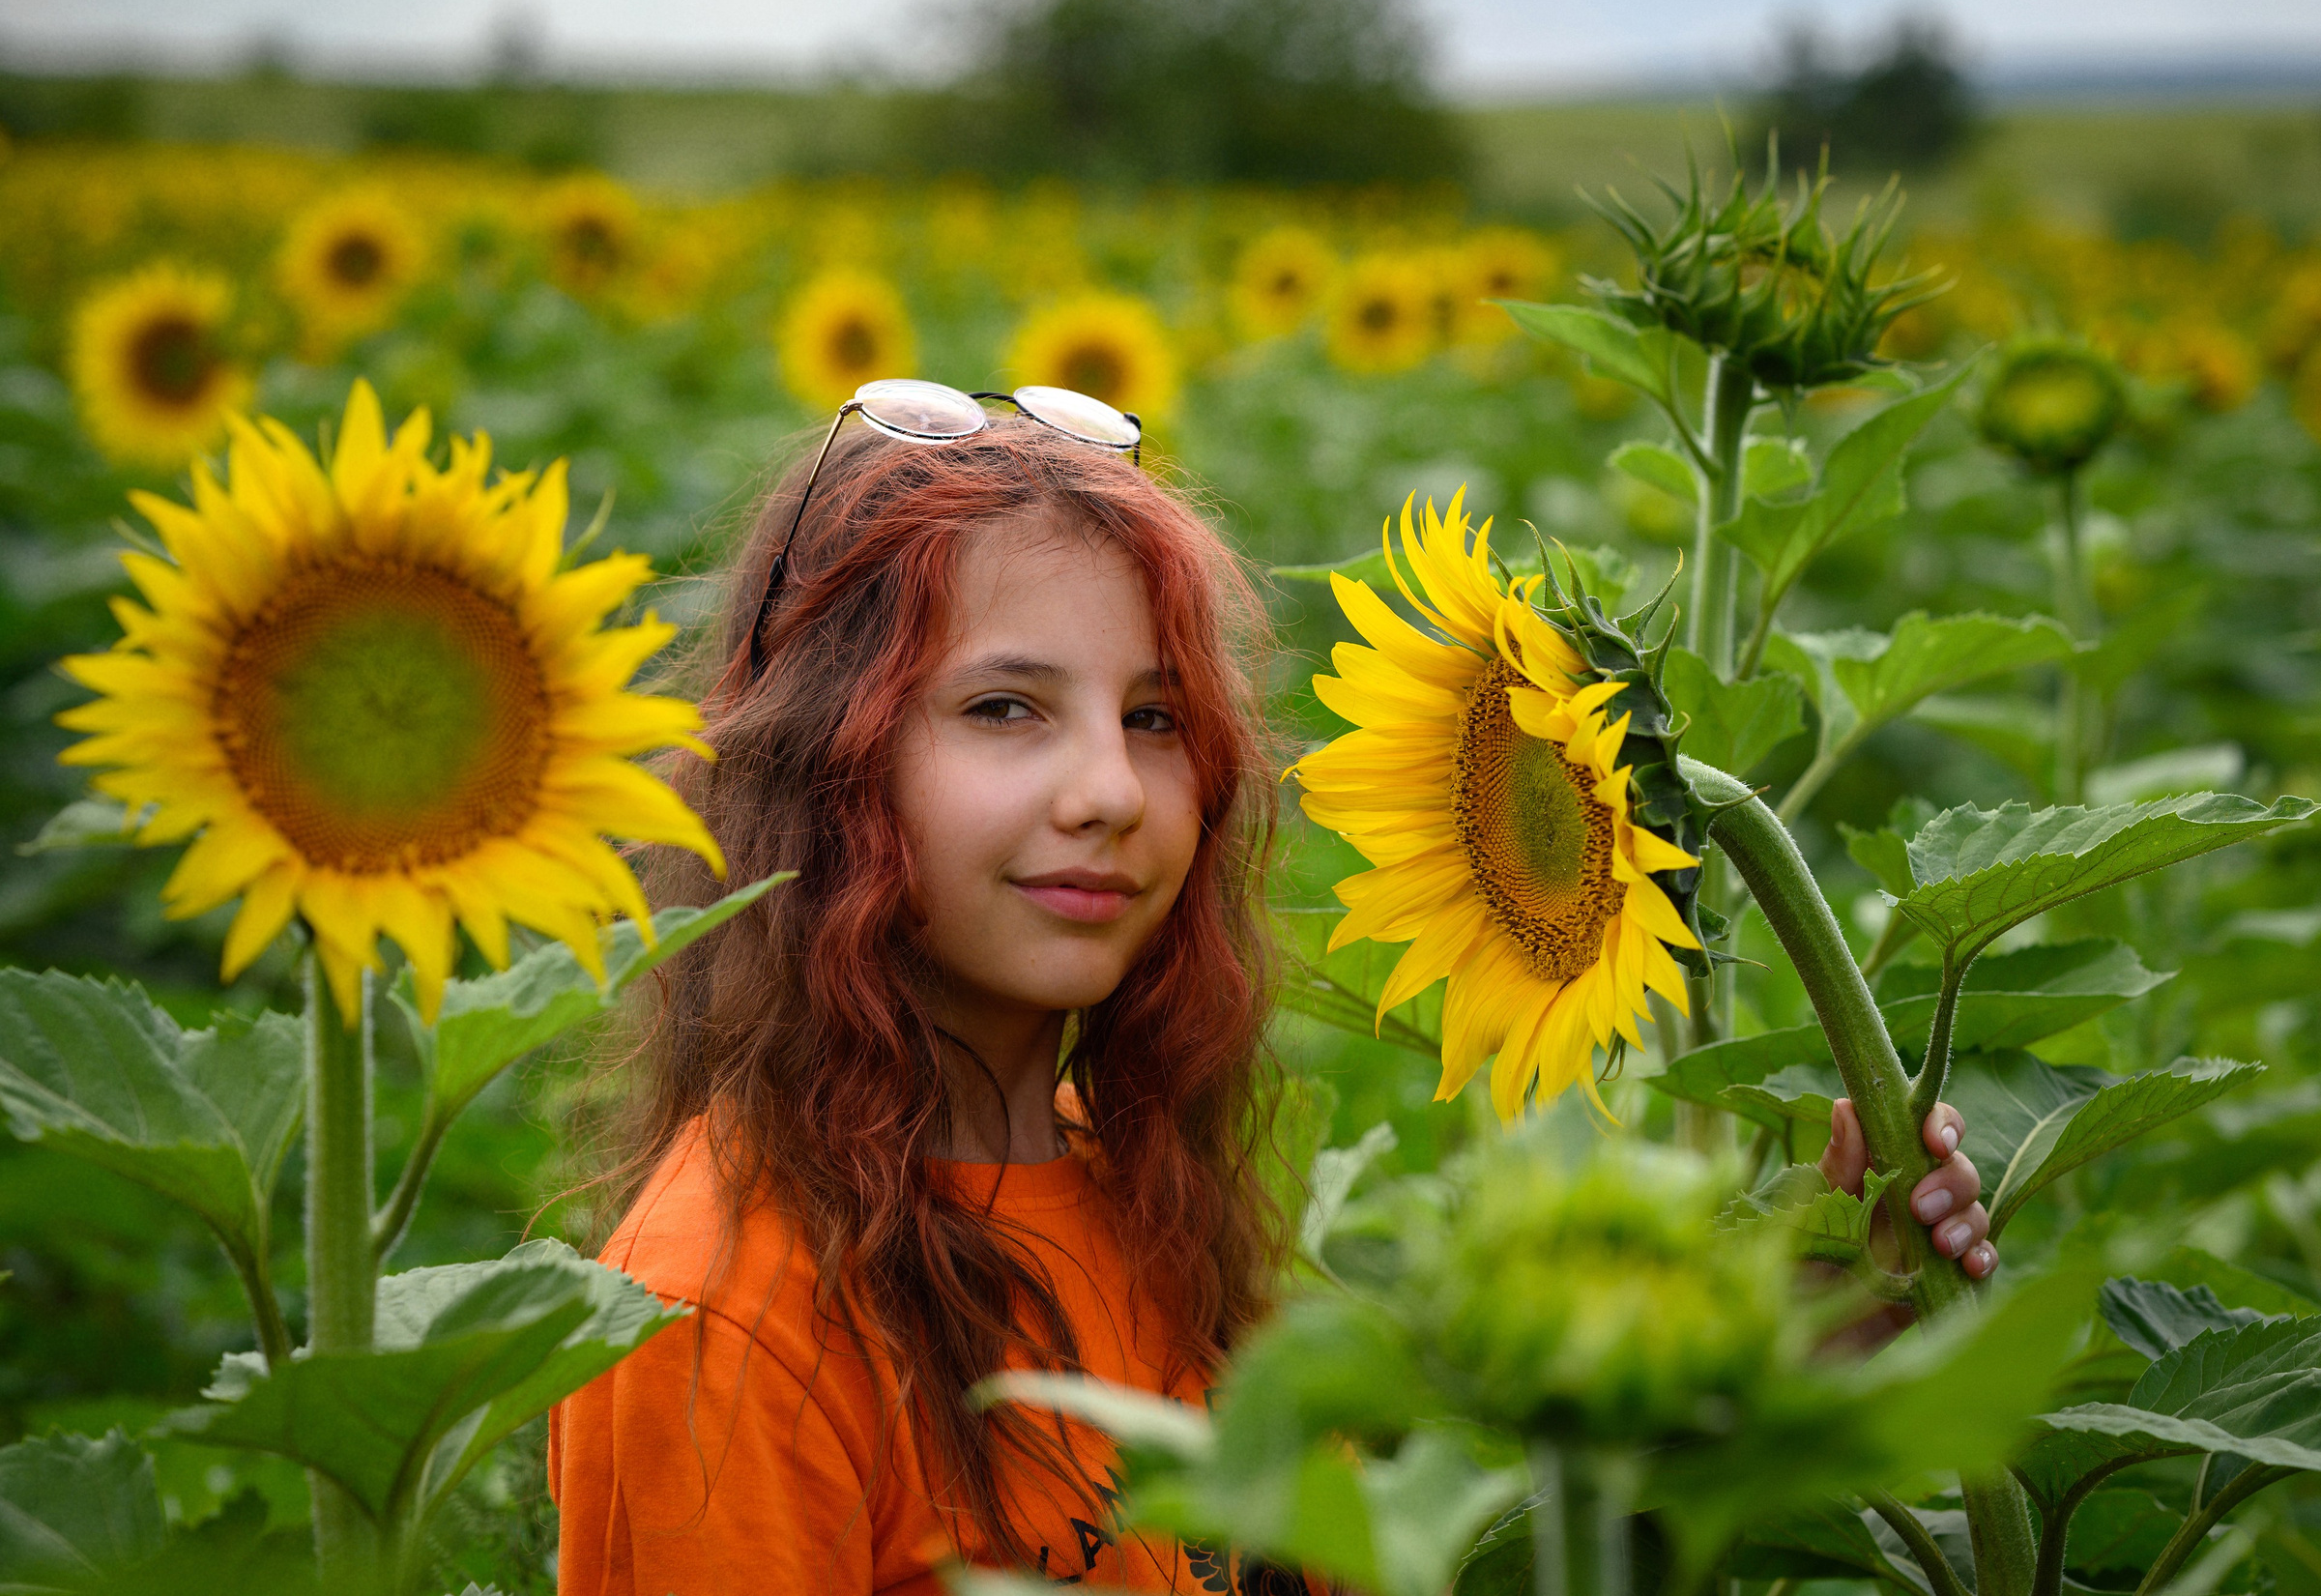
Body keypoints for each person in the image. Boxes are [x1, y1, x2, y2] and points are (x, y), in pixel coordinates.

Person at [546, 386, 1995, 1596]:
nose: (1110, 792)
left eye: (1155, 717)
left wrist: (1816, 1326)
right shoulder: (716, 1318)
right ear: (822, 763)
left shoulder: (1130, 1186)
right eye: (1005, 709)